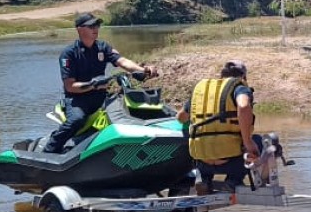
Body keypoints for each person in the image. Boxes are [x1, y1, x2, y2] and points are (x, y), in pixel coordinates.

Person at [43, 12, 157, 153]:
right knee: (77, 120)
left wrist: (143, 70)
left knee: (127, 107)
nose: (95, 29)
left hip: (101, 96)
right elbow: (70, 86)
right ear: (79, 29)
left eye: (97, 25)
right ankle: (49, 151)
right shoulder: (69, 54)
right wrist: (93, 84)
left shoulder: (103, 47)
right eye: (91, 26)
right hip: (78, 100)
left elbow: (123, 61)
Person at [177, 59, 258, 192]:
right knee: (259, 142)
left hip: (203, 160)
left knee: (204, 147)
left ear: (221, 76)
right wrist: (248, 141)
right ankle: (233, 181)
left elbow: (181, 118)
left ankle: (203, 180)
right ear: (244, 77)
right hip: (231, 161)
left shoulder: (203, 91)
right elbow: (243, 106)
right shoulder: (239, 87)